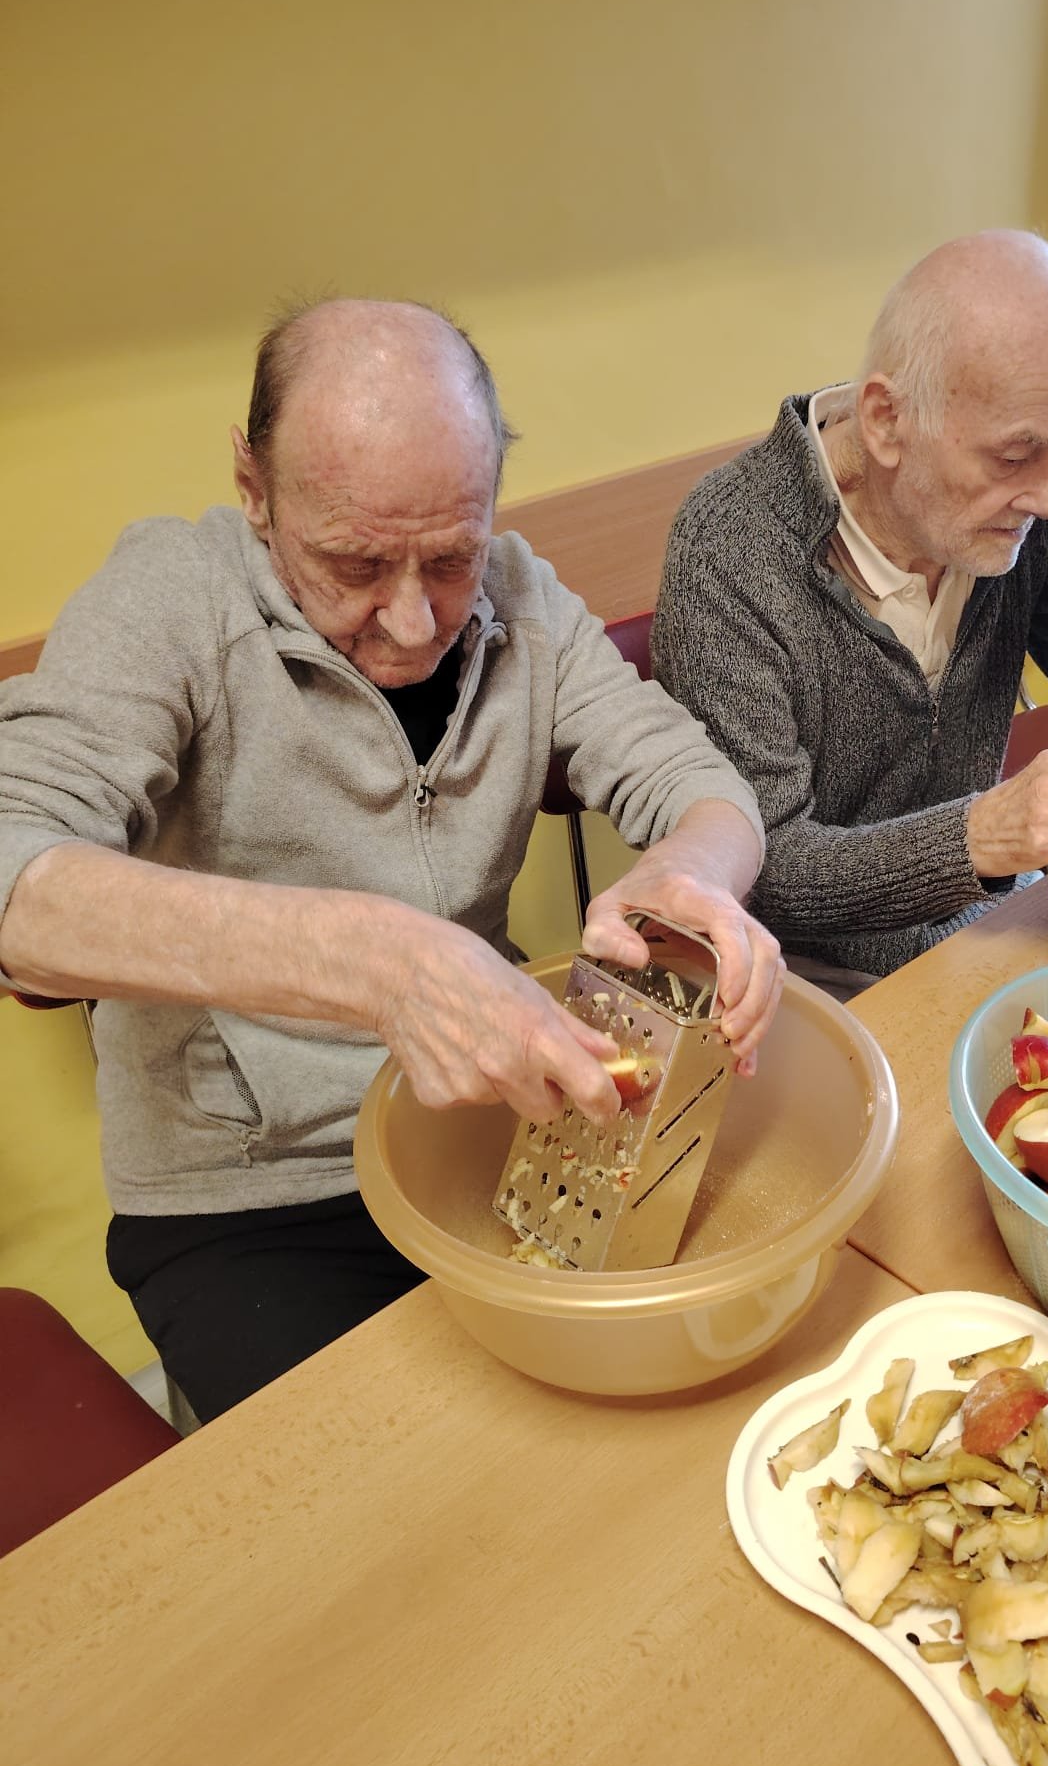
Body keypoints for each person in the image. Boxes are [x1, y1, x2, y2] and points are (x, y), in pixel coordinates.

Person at [0, 299, 783, 1419]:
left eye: (451, 557)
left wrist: (694, 872)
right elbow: (13, 865)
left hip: (485, 1129)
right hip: (253, 1200)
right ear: (253, 486)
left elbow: (704, 785)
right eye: (355, 562)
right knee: (397, 1485)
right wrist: (375, 962)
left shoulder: (523, 595)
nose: (414, 623)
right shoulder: (169, 597)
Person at [652, 230, 1048, 988]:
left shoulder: (1038, 489)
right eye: (1014, 456)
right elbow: (765, 867)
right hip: (798, 972)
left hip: (982, 924)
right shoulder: (731, 550)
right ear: (886, 421)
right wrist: (984, 835)